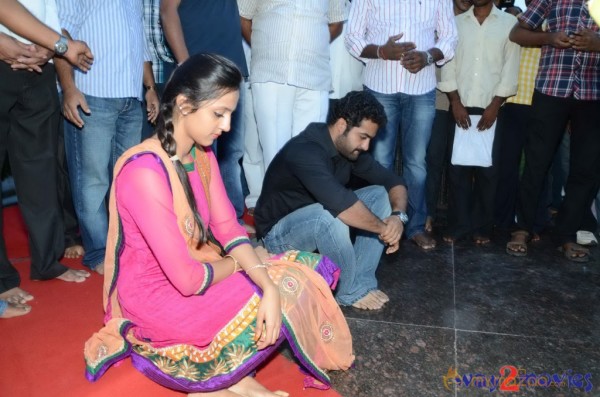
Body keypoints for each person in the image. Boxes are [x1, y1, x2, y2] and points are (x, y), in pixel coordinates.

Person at [84, 53, 354, 396]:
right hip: (158, 301)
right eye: (218, 113)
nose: (226, 126)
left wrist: (265, 282)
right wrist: (250, 263)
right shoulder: (145, 172)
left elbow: (228, 228)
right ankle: (209, 376)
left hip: (201, 273)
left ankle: (222, 382)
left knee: (295, 275)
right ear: (183, 105)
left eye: (229, 114)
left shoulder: (201, 154)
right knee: (283, 276)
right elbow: (188, 280)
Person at [255, 91, 408, 311]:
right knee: (329, 215)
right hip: (278, 237)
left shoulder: (347, 148)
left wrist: (397, 218)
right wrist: (386, 229)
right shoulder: (305, 151)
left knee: (380, 194)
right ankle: (347, 291)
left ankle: (361, 282)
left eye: (370, 140)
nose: (366, 146)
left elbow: (394, 182)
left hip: (318, 226)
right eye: (363, 137)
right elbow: (343, 208)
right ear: (341, 125)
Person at [1, 0, 94, 309]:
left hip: (41, 64)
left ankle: (47, 261)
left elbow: (49, 16)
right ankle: (2, 279)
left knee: (41, 170)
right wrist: (59, 44)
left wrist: (51, 46)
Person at [55, 0, 160, 274]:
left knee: (129, 179)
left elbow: (141, 43)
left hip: (131, 97)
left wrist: (149, 88)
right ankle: (100, 252)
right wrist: (68, 88)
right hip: (92, 94)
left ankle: (126, 248)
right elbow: (59, 34)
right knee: (92, 181)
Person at [345, 0, 458, 251]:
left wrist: (428, 56)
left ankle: (415, 227)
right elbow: (352, 36)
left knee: (416, 163)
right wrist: (381, 52)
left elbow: (450, 37)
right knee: (380, 162)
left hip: (421, 89)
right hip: (379, 87)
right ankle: (377, 227)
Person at [507, 0, 600, 262]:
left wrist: (597, 43)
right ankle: (522, 228)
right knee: (537, 163)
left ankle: (567, 236)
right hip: (551, 90)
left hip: (594, 93)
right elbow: (517, 33)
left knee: (585, 169)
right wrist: (548, 37)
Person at [161, 0, 250, 231]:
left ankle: (231, 221)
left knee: (230, 153)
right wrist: (185, 66)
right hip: (201, 76)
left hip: (232, 70)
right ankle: (200, 225)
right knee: (197, 154)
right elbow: (167, 11)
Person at [438, 0, 520, 243]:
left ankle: (483, 228)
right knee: (457, 169)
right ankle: (459, 225)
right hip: (460, 105)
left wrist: (495, 105)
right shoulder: (455, 23)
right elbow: (448, 63)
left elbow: (510, 67)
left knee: (488, 171)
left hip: (492, 107)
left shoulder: (509, 24)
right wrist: (454, 101)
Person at [239, 0, 345, 170]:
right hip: (271, 72)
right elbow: (243, 17)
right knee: (275, 155)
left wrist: (311, 45)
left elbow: (337, 22)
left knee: (310, 155)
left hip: (314, 74)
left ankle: (303, 198)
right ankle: (273, 196)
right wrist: (263, 47)